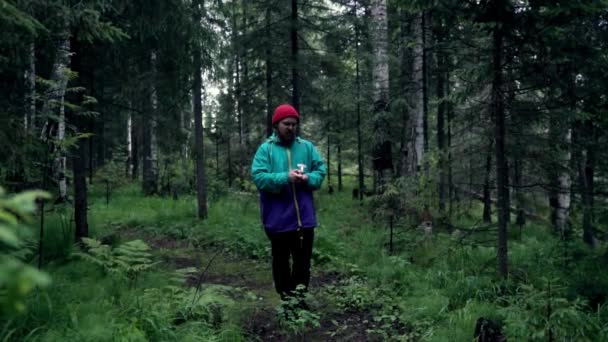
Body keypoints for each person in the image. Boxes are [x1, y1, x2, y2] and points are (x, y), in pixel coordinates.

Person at [251, 104, 326, 301]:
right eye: (286, 124)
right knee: (281, 263)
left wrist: (308, 178)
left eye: (294, 124)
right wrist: (286, 177)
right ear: (276, 125)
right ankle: (287, 302)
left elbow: (320, 171)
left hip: (304, 220)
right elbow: (259, 178)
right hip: (277, 220)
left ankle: (299, 303)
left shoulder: (307, 147)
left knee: (303, 264)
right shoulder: (265, 150)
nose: (290, 128)